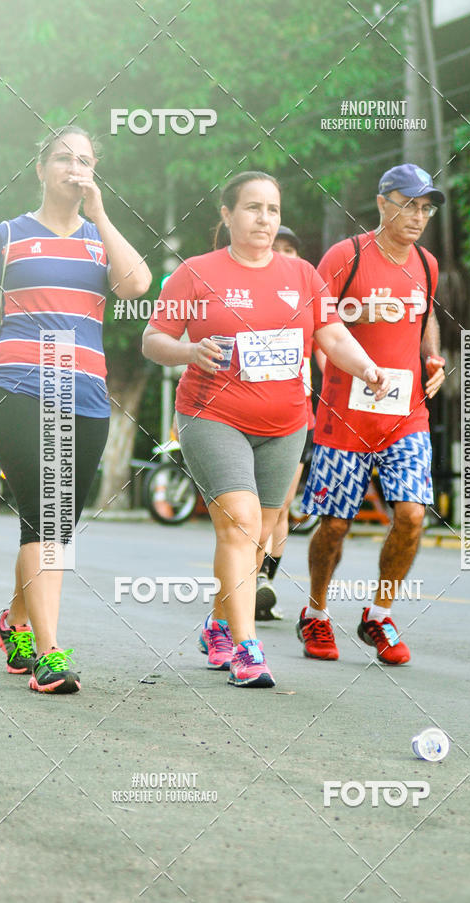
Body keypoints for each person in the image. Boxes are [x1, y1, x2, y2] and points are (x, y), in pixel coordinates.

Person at [142, 171, 389, 688]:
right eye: (252, 208)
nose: (264, 219)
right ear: (227, 215)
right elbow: (153, 339)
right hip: (213, 416)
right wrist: (190, 351)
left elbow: (331, 333)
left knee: (260, 539)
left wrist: (366, 367)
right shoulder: (196, 272)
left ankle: (217, 622)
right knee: (242, 524)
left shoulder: (300, 276)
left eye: (272, 210)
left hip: (285, 423)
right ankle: (247, 650)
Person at [0, 126, 151, 693]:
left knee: (50, 523)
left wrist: (101, 213)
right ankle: (49, 657)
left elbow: (137, 286)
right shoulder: (4, 237)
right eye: (64, 159)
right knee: (49, 520)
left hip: (86, 399)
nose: (74, 168)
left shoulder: (101, 240)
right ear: (42, 169)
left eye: (86, 161)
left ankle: (15, 626)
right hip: (15, 393)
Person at [299, 163, 446, 665]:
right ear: (382, 203)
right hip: (345, 414)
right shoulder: (346, 257)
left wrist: (434, 359)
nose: (418, 216)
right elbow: (316, 324)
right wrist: (327, 373)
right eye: (409, 204)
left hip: (407, 414)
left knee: (411, 515)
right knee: (335, 525)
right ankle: (315, 612)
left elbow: (425, 322)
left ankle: (378, 615)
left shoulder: (426, 264)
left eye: (425, 208)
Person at [255, 225, 324, 620]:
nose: (282, 254)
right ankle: (245, 578)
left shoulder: (309, 303)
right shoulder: (247, 298)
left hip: (299, 417)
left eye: (290, 249)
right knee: (249, 508)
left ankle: (264, 580)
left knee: (280, 506)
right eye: (276, 248)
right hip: (246, 417)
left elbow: (327, 353)